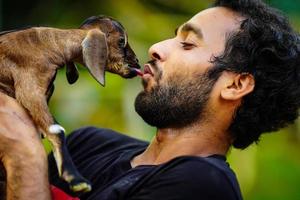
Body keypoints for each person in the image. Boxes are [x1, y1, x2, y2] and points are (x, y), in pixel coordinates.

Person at [0, 0, 299, 199]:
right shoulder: (87, 144)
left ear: (236, 84)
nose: (156, 47)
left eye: (187, 43)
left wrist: (24, 153)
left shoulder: (204, 185)